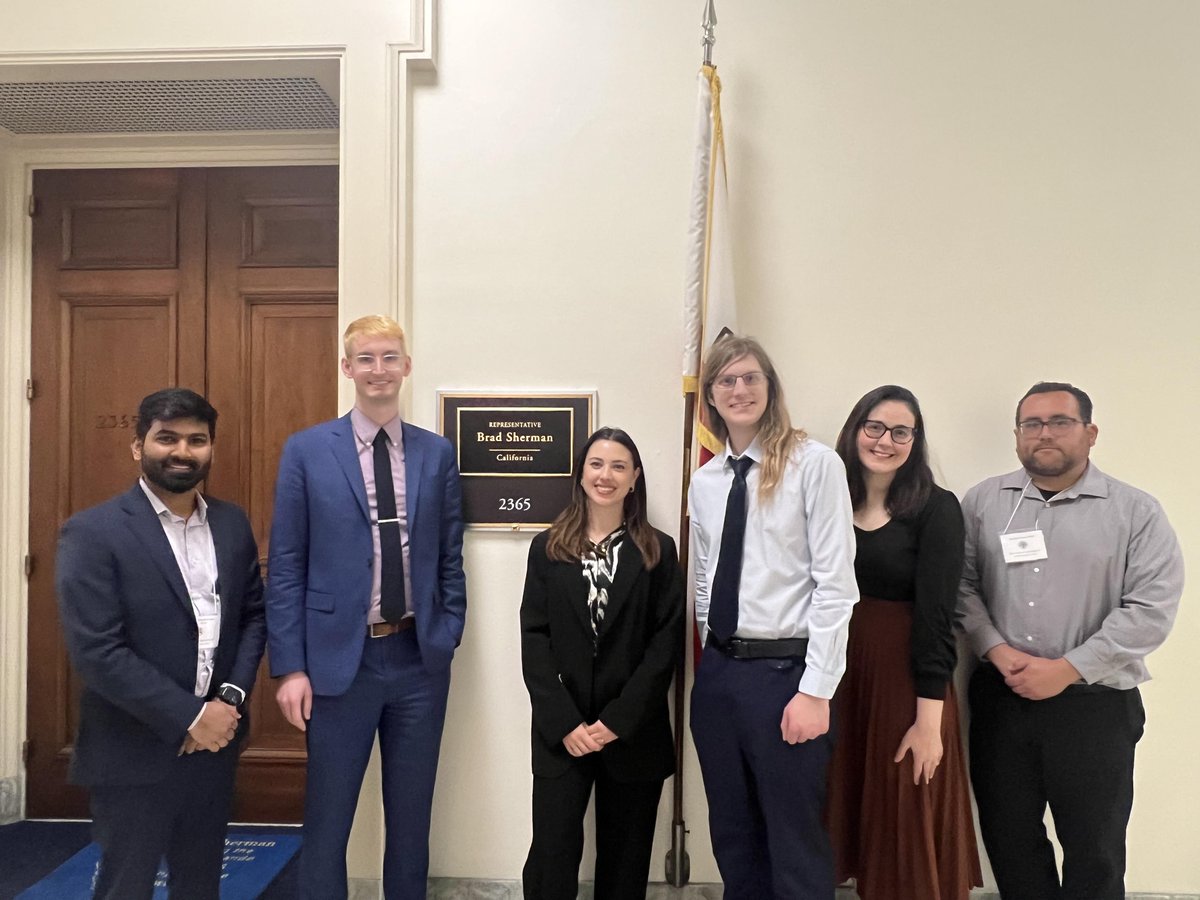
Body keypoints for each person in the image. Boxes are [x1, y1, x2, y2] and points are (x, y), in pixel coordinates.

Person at [266, 314, 467, 900]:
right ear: (347, 367)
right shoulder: (306, 451)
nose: (378, 369)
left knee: (411, 819)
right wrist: (291, 666)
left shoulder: (436, 454)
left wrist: (447, 630)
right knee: (329, 819)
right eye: (366, 358)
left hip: (416, 660)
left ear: (406, 366)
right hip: (336, 665)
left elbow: (449, 556)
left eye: (389, 357)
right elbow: (286, 564)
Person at [957, 381, 1184, 900]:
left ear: (1090, 432)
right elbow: (960, 586)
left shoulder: (1135, 512)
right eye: (1031, 424)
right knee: (1011, 841)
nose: (1044, 434)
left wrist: (1069, 668)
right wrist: (995, 648)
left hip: (1095, 706)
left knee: (1095, 849)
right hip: (1003, 700)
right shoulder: (983, 503)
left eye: (1060, 421)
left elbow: (1150, 608)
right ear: (1017, 435)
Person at [55, 388, 266, 899]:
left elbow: (255, 616)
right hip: (134, 749)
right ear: (137, 446)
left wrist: (227, 704)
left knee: (200, 884)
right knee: (126, 885)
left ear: (211, 448)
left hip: (213, 749)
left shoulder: (231, 523)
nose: (182, 451)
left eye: (197, 440)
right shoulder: (92, 532)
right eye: (166, 438)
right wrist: (191, 716)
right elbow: (98, 652)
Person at [688, 335, 859, 899]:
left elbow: (836, 586)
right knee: (733, 834)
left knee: (793, 838)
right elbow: (707, 572)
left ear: (770, 387)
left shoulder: (814, 465)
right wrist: (711, 657)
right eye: (726, 381)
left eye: (750, 378)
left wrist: (816, 690)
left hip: (786, 677)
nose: (739, 390)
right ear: (710, 396)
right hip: (719, 678)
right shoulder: (708, 480)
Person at [825, 385, 982, 899]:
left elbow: (938, 617)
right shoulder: (826, 499)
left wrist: (929, 723)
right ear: (854, 430)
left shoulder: (937, 509)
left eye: (900, 432)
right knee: (839, 808)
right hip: (831, 674)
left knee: (905, 810)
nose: (885, 441)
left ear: (915, 441)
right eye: (874, 427)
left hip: (904, 680)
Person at [519, 427, 683, 899]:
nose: (605, 475)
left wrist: (616, 721)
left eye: (618, 466)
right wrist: (565, 721)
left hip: (633, 733)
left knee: (626, 859)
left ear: (634, 479)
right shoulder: (547, 548)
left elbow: (663, 648)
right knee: (553, 853)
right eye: (596, 464)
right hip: (561, 733)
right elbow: (534, 639)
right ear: (581, 474)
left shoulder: (658, 551)